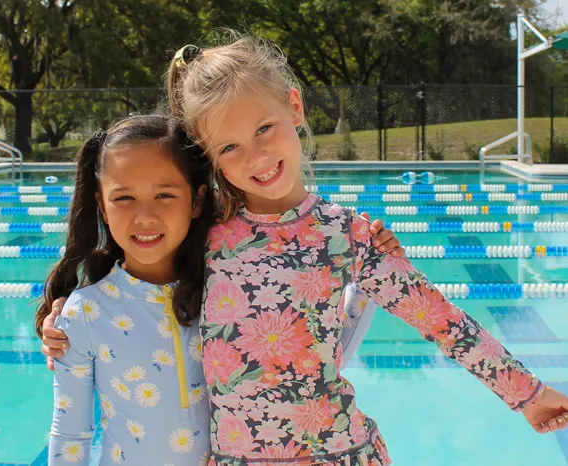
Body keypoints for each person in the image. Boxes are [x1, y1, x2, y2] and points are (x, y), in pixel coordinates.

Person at [163, 36, 566, 465]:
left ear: (294, 107)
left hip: (338, 453)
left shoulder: (346, 234)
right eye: (229, 147)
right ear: (210, 155)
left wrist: (527, 394)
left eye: (264, 128)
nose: (256, 155)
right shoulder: (202, 237)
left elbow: (440, 319)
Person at [35, 115, 216, 464]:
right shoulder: (86, 312)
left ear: (196, 201)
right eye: (124, 198)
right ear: (102, 206)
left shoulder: (226, 294)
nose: (144, 216)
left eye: (164, 194)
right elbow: (71, 434)